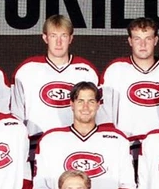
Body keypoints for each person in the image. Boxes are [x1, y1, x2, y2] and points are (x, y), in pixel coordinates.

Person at [31, 81, 136, 189]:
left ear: (99, 105)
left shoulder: (117, 140)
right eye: (80, 101)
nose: (85, 107)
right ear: (71, 104)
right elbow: (42, 185)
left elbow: (127, 183)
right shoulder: (50, 140)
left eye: (91, 101)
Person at [12, 14, 102, 143]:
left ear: (71, 38)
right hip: (37, 143)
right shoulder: (26, 70)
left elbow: (97, 111)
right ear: (45, 38)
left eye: (63, 36)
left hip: (77, 143)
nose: (58, 42)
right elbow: (16, 115)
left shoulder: (87, 71)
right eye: (53, 36)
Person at [101, 17, 159, 143]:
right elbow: (104, 113)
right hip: (125, 145)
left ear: (156, 40)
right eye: (137, 39)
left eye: (148, 39)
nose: (143, 44)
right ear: (130, 41)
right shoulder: (115, 70)